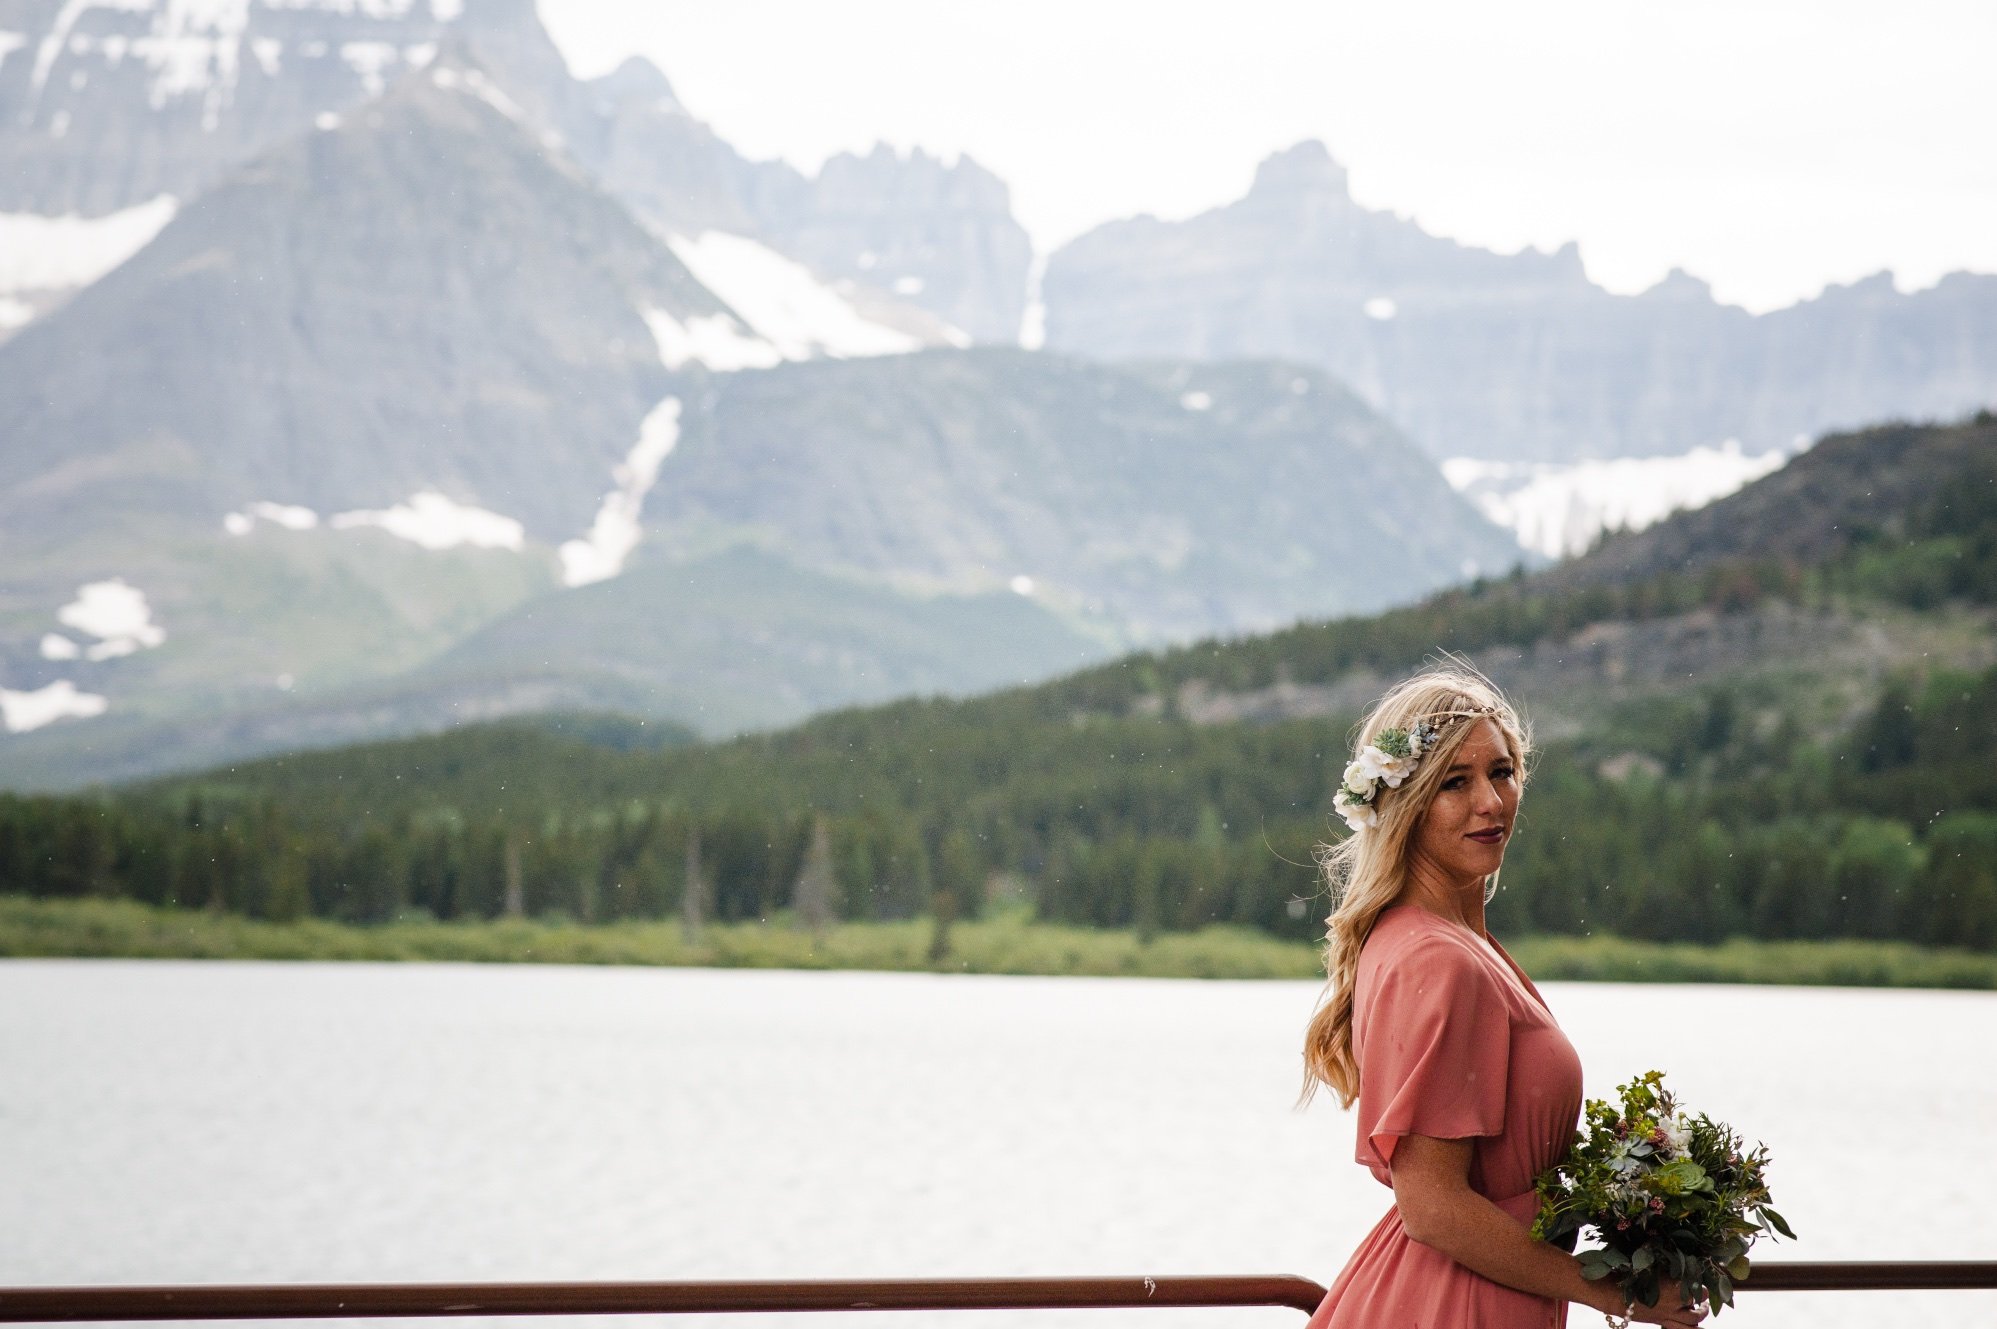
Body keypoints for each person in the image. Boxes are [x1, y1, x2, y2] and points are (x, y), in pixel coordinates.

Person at [1298, 667, 1704, 1329]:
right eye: (1454, 782)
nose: (1489, 801)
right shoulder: (1437, 956)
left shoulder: (1445, 941)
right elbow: (1430, 1206)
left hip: (1475, 1294)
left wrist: (1640, 1196)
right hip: (1453, 1305)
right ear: (1405, 803)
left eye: (1503, 771)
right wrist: (1614, 1292)